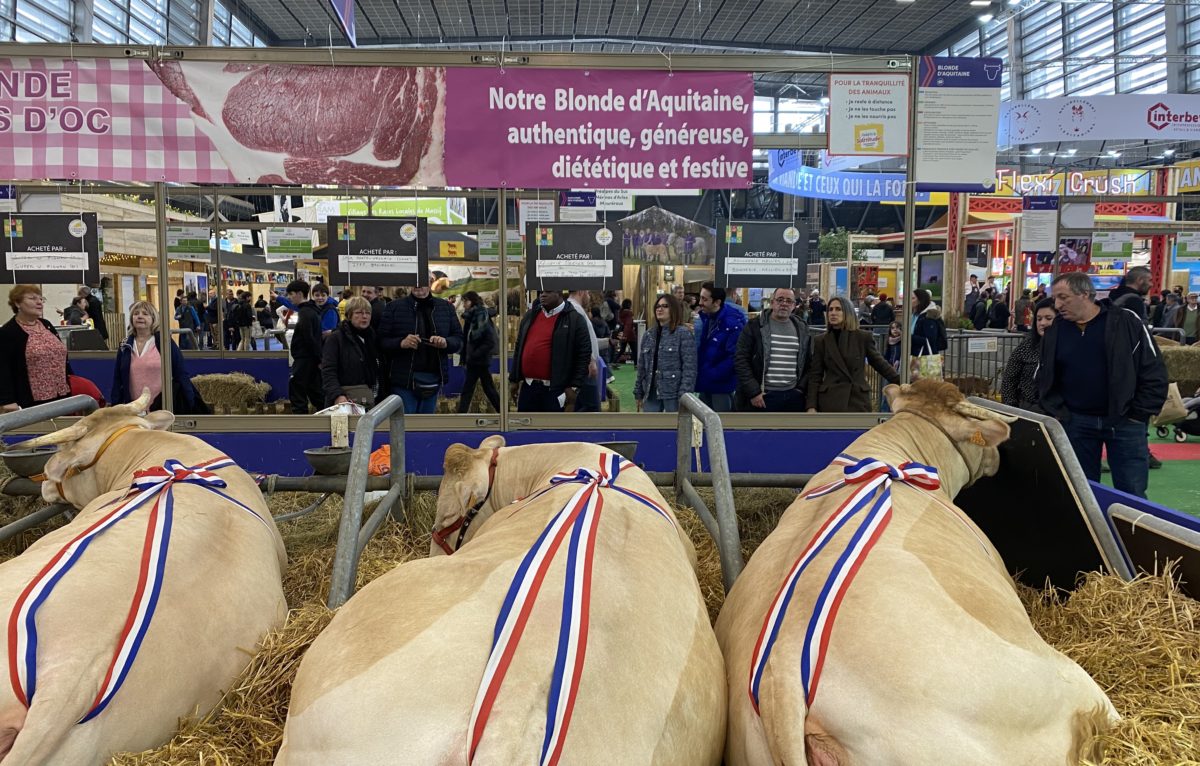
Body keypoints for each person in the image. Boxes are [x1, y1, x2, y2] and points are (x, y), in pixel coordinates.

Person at [1036, 272, 1168, 498]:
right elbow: (1045, 374)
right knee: (1082, 493)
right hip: (1076, 422)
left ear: (1084, 294)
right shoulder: (1056, 330)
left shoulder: (1126, 322)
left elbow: (1153, 370)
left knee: (1132, 492)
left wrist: (1139, 413)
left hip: (1125, 422)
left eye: (1063, 297)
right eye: (1055, 298)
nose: (1057, 305)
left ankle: (1130, 533)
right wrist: (1057, 409)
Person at [377, 278, 463, 414]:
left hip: (434, 379)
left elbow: (458, 340)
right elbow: (381, 342)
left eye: (422, 280)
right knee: (405, 427)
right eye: (414, 280)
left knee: (426, 428)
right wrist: (401, 343)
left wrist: (446, 342)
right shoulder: (393, 307)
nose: (418, 284)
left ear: (430, 283)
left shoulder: (446, 308)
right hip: (404, 380)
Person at [806, 295, 899, 413]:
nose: (833, 313)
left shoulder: (862, 337)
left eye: (838, 309)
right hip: (830, 402)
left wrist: (903, 381)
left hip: (857, 401)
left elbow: (880, 364)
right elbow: (815, 375)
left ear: (848, 312)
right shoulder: (821, 341)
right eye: (830, 309)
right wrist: (811, 406)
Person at [111, 301, 205, 413]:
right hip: (133, 410)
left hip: (161, 408)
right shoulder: (125, 345)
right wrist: (115, 407)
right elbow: (118, 379)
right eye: (136, 314)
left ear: (153, 318)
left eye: (145, 314)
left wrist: (190, 402)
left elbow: (180, 372)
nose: (140, 316)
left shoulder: (164, 342)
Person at [509, 289, 590, 412]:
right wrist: (514, 379)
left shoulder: (575, 319)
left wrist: (574, 386)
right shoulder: (530, 316)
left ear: (559, 293)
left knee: (553, 429)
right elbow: (519, 346)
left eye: (548, 291)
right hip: (529, 387)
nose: (543, 295)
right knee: (525, 429)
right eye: (541, 292)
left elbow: (583, 355)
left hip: (556, 390)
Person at [733, 287, 811, 412]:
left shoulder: (802, 329)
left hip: (793, 397)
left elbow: (808, 362)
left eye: (789, 301)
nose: (784, 304)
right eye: (780, 300)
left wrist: (800, 389)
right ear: (772, 302)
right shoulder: (754, 326)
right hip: (762, 397)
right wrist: (754, 391)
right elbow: (741, 359)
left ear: (794, 305)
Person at [0, 285, 71, 411]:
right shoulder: (8, 332)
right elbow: (3, 369)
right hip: (30, 401)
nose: (39, 302)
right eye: (32, 298)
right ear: (17, 303)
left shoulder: (46, 325)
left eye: (41, 299)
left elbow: (61, 356)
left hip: (62, 395)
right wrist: (7, 400)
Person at [634, 293, 696, 413]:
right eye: (658, 306)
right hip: (650, 391)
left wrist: (685, 395)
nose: (660, 309)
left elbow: (689, 368)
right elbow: (642, 366)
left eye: (665, 306)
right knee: (651, 427)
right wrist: (638, 391)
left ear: (673, 309)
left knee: (675, 428)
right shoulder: (648, 335)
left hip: (674, 393)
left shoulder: (683, 334)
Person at [320, 296, 381, 408]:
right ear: (349, 315)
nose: (364, 316)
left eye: (367, 313)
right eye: (358, 313)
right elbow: (328, 371)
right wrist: (337, 395)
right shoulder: (336, 338)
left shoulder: (372, 337)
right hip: (344, 401)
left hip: (370, 399)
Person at [694, 283, 746, 412]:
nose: (700, 302)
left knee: (722, 424)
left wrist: (712, 374)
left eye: (705, 299)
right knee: (701, 421)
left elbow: (734, 356)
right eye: (700, 298)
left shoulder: (732, 323)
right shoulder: (708, 318)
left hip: (720, 384)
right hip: (707, 381)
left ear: (717, 302)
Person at [1000, 298, 1056, 413]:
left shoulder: (1067, 347)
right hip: (1027, 409)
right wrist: (1011, 408)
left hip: (1057, 414)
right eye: (1039, 319)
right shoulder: (1027, 345)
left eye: (1048, 318)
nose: (1043, 323)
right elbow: (1009, 379)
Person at [457, 291, 501, 414]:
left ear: (472, 301)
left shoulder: (481, 316)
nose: (464, 304)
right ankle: (502, 411)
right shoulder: (471, 317)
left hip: (479, 360)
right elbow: (467, 339)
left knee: (470, 388)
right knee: (487, 387)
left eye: (466, 301)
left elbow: (489, 341)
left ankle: (461, 414)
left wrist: (474, 354)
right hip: (475, 359)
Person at [286, 280, 325, 414]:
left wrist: (318, 357)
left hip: (305, 358)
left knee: (297, 387)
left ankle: (300, 419)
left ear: (299, 294)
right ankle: (325, 413)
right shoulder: (312, 311)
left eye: (291, 294)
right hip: (312, 357)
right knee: (314, 389)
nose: (289, 297)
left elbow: (308, 338)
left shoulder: (305, 313)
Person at [567, 289, 603, 412]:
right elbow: (579, 341)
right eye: (588, 293)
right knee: (591, 408)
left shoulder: (576, 309)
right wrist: (590, 361)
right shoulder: (575, 309)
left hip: (583, 366)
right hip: (584, 368)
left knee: (582, 405)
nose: (589, 296)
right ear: (581, 292)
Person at [911, 288, 948, 359]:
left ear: (920, 301)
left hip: (925, 357)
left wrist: (909, 337)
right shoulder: (914, 315)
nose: (910, 301)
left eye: (913, 298)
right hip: (915, 354)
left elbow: (930, 339)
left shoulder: (928, 317)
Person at [616, 298, 637, 364]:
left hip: (623, 334)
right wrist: (625, 335)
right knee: (634, 350)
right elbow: (628, 325)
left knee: (622, 350)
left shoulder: (621, 313)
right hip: (630, 334)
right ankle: (636, 364)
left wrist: (624, 335)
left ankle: (614, 361)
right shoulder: (629, 313)